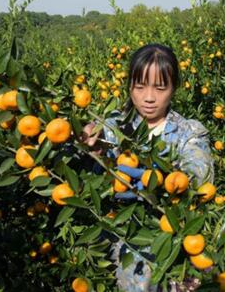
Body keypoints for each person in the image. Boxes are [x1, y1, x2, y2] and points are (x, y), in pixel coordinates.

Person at [82, 43, 214, 291]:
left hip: (175, 245)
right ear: (129, 85)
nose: (149, 97)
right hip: (127, 247)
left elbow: (199, 174)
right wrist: (90, 147)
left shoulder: (189, 132)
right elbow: (90, 163)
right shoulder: (112, 127)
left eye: (160, 87)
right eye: (140, 87)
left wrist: (164, 180)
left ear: (174, 88)